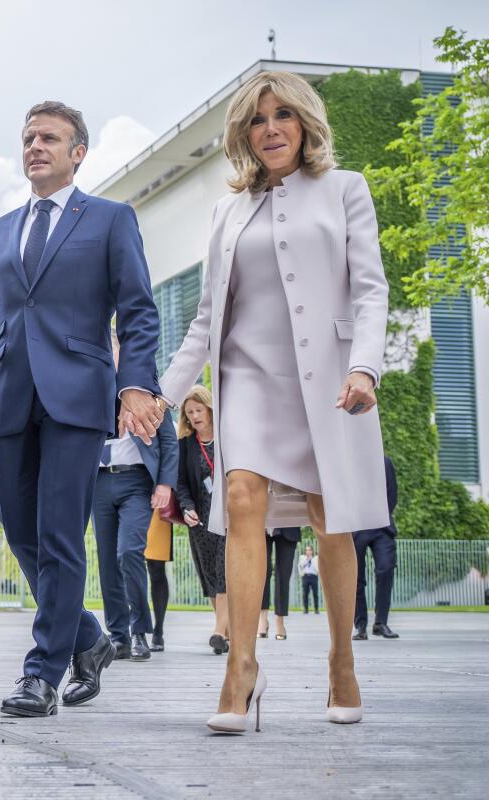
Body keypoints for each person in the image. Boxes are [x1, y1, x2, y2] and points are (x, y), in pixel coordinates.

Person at [160, 71, 390, 733]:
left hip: (328, 376)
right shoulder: (226, 212)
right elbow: (206, 318)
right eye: (258, 120)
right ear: (244, 133)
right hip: (250, 374)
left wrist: (366, 368)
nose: (272, 129)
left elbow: (370, 289)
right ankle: (241, 666)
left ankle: (342, 661)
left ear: (305, 123)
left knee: (331, 515)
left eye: (284, 115)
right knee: (238, 499)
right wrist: (162, 394)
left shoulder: (345, 190)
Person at [0, 101, 164, 718]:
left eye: (49, 138)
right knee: (20, 532)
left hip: (79, 396)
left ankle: (41, 674)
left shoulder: (108, 219)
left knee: (58, 534)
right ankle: (90, 637)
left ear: (78, 152)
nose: (35, 147)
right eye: (28, 138)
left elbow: (137, 310)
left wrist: (135, 385)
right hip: (12, 399)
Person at [92, 335, 177, 662]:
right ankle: (119, 636)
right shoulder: (93, 390)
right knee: (107, 561)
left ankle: (140, 629)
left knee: (129, 551)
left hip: (136, 483)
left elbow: (169, 441)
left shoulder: (146, 389)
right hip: (99, 481)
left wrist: (165, 484)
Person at [175, 385, 229, 654]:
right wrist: (185, 508)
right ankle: (223, 628)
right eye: (190, 412)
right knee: (209, 574)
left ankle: (219, 631)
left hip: (229, 515)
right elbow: (181, 483)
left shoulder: (226, 437)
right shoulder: (185, 445)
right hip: (200, 519)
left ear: (209, 409)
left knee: (224, 572)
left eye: (198, 410)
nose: (195, 416)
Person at [354, 456, 399, 640]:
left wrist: (381, 515)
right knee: (356, 577)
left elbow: (392, 493)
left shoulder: (385, 462)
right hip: (356, 525)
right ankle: (361, 626)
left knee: (386, 569)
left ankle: (381, 623)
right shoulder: (350, 463)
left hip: (382, 526)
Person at [259, 527, 300, 640]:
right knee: (262, 573)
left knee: (283, 574)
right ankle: (263, 619)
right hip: (263, 522)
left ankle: (279, 620)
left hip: (288, 522)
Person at [144, 512, 171, 652]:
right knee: (126, 563)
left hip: (157, 502)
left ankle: (158, 630)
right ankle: (128, 630)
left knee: (156, 567)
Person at [299, 545, 321, 614]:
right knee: (305, 593)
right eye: (306, 550)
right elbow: (300, 566)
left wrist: (311, 559)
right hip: (305, 576)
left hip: (313, 576)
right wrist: (306, 559)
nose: (308, 551)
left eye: (309, 550)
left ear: (312, 551)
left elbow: (317, 567)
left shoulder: (315, 558)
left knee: (315, 593)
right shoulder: (302, 558)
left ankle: (316, 609)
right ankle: (306, 609)